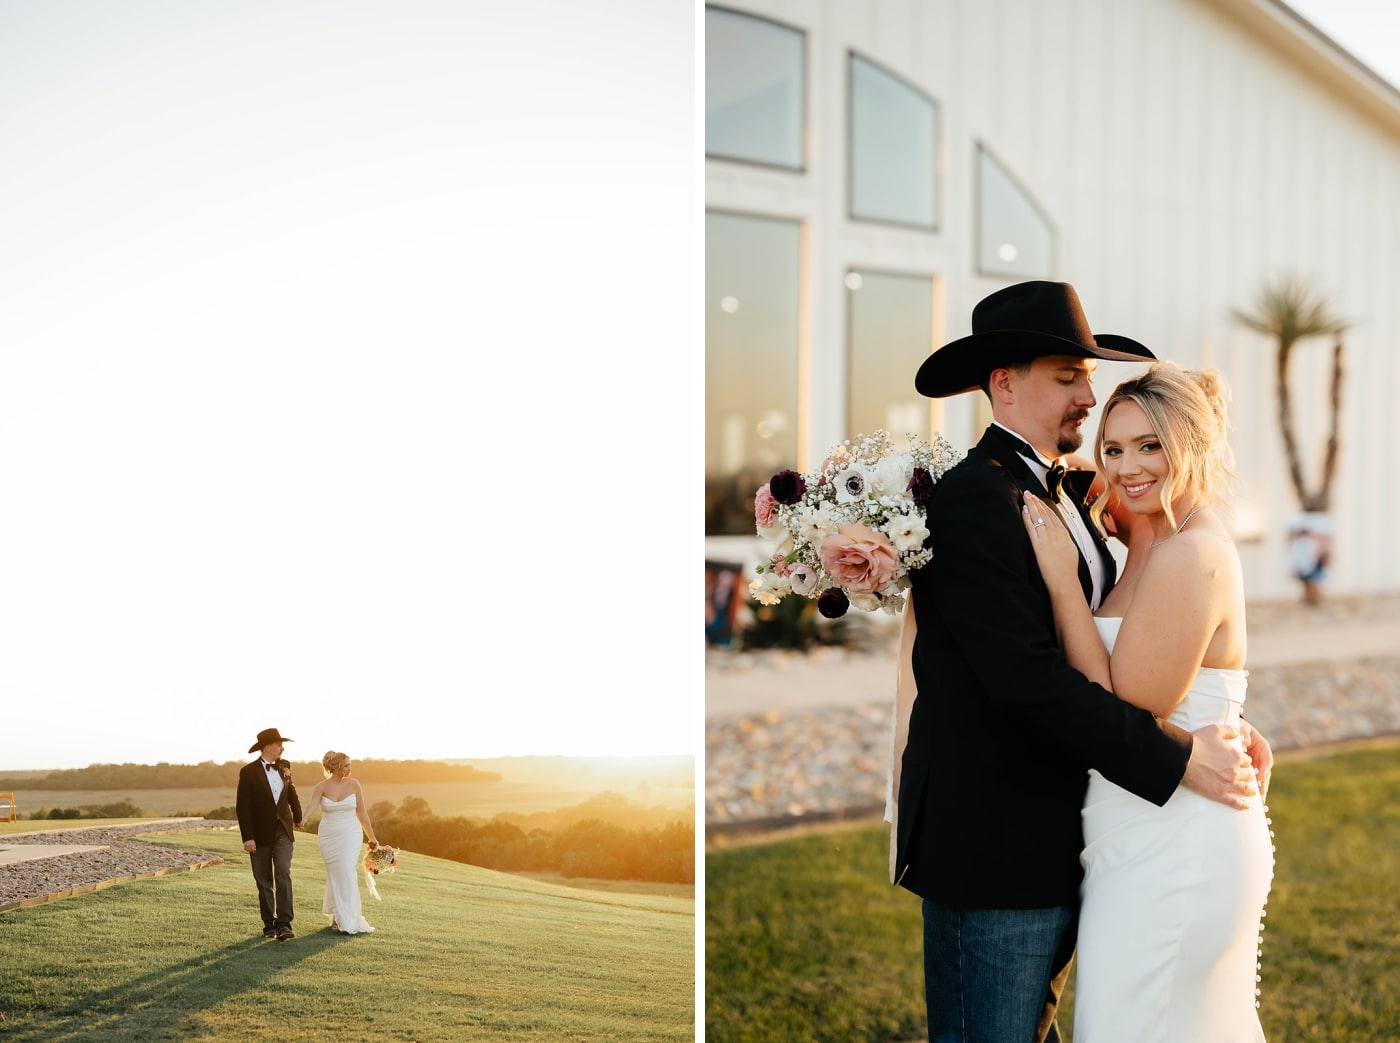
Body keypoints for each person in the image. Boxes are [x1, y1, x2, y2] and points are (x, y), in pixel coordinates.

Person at [892, 280, 1274, 1042]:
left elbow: (1154, 629)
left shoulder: (1086, 497)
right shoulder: (975, 500)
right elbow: (1027, 682)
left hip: (1083, 841)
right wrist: (1179, 754)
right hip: (997, 854)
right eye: (1069, 376)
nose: (1086, 394)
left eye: (1088, 376)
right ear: (1004, 382)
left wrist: (1218, 711)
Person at [1021, 361, 1273, 1039]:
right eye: (1114, 447)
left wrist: (1062, 585)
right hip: (1136, 833)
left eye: (1150, 445)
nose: (1129, 466)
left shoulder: (1190, 553)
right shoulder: (1143, 534)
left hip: (1177, 841)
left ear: (1190, 444)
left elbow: (1123, 709)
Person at [235, 727, 303, 941]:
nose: (282, 748)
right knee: (263, 879)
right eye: (278, 744)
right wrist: (248, 837)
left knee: (282, 871)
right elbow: (242, 807)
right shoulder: (248, 772)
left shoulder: (285, 766)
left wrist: (298, 817)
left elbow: (291, 792)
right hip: (259, 833)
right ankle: (269, 925)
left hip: (283, 829)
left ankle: (285, 923)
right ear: (267, 747)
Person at [302, 750, 380, 935]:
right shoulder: (321, 787)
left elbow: (361, 812)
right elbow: (312, 804)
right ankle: (338, 916)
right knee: (336, 874)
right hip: (328, 835)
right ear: (335, 767)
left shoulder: (354, 785)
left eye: (349, 765)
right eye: (346, 765)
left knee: (346, 871)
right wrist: (304, 819)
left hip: (350, 833)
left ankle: (349, 919)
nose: (349, 768)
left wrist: (372, 837)